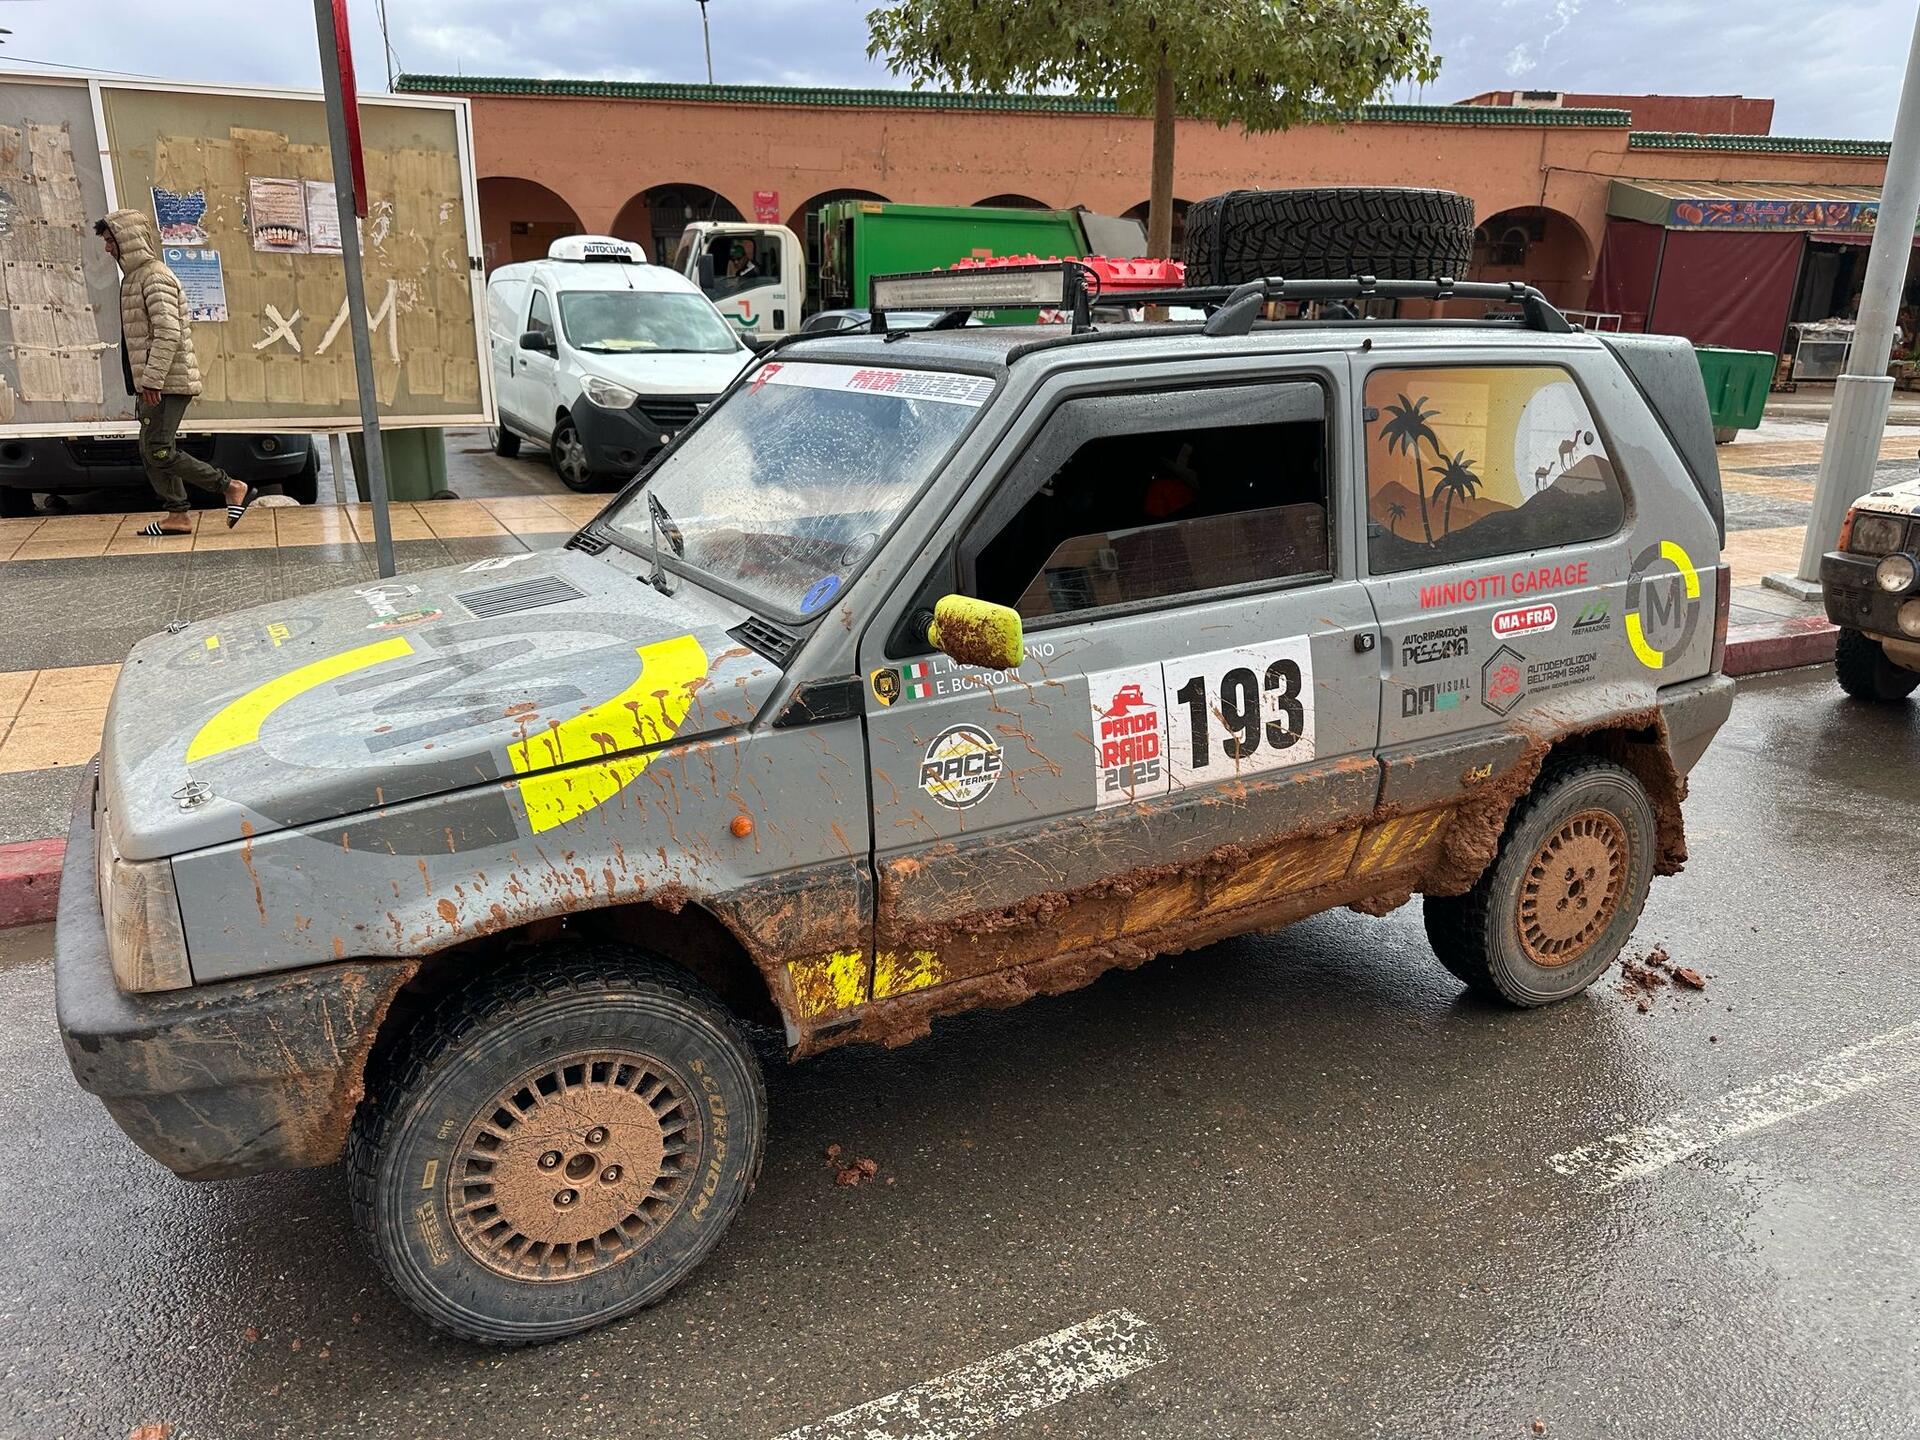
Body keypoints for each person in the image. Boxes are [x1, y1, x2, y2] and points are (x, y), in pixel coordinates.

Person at [95, 210, 254, 535]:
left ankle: (230, 487)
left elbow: (168, 331)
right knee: (150, 449)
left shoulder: (154, 277)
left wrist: (153, 380)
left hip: (166, 382)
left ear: (128, 240)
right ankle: (177, 515)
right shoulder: (135, 278)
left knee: (158, 449)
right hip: (154, 382)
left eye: (111, 241)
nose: (108, 248)